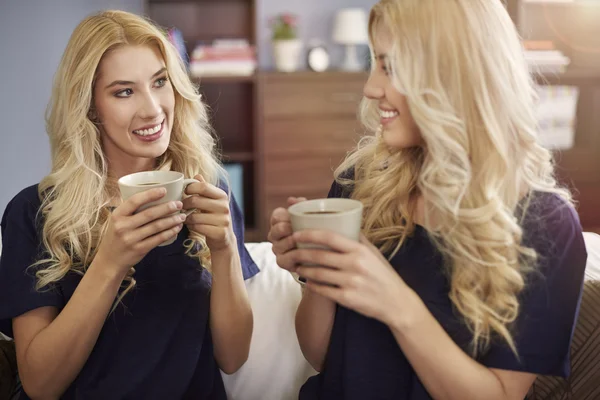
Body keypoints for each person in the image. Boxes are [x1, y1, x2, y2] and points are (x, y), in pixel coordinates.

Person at [268, 0, 588, 399]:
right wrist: (318, 272)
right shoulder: (360, 183)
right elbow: (321, 357)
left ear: (455, 76)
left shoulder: (546, 225)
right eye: (374, 63)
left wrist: (396, 303)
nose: (370, 87)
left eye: (392, 67)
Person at [0, 10, 258, 399]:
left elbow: (234, 357)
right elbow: (40, 384)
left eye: (160, 82)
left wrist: (223, 249)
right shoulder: (34, 213)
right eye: (124, 91)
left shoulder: (209, 191)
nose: (153, 109)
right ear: (90, 107)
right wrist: (110, 262)